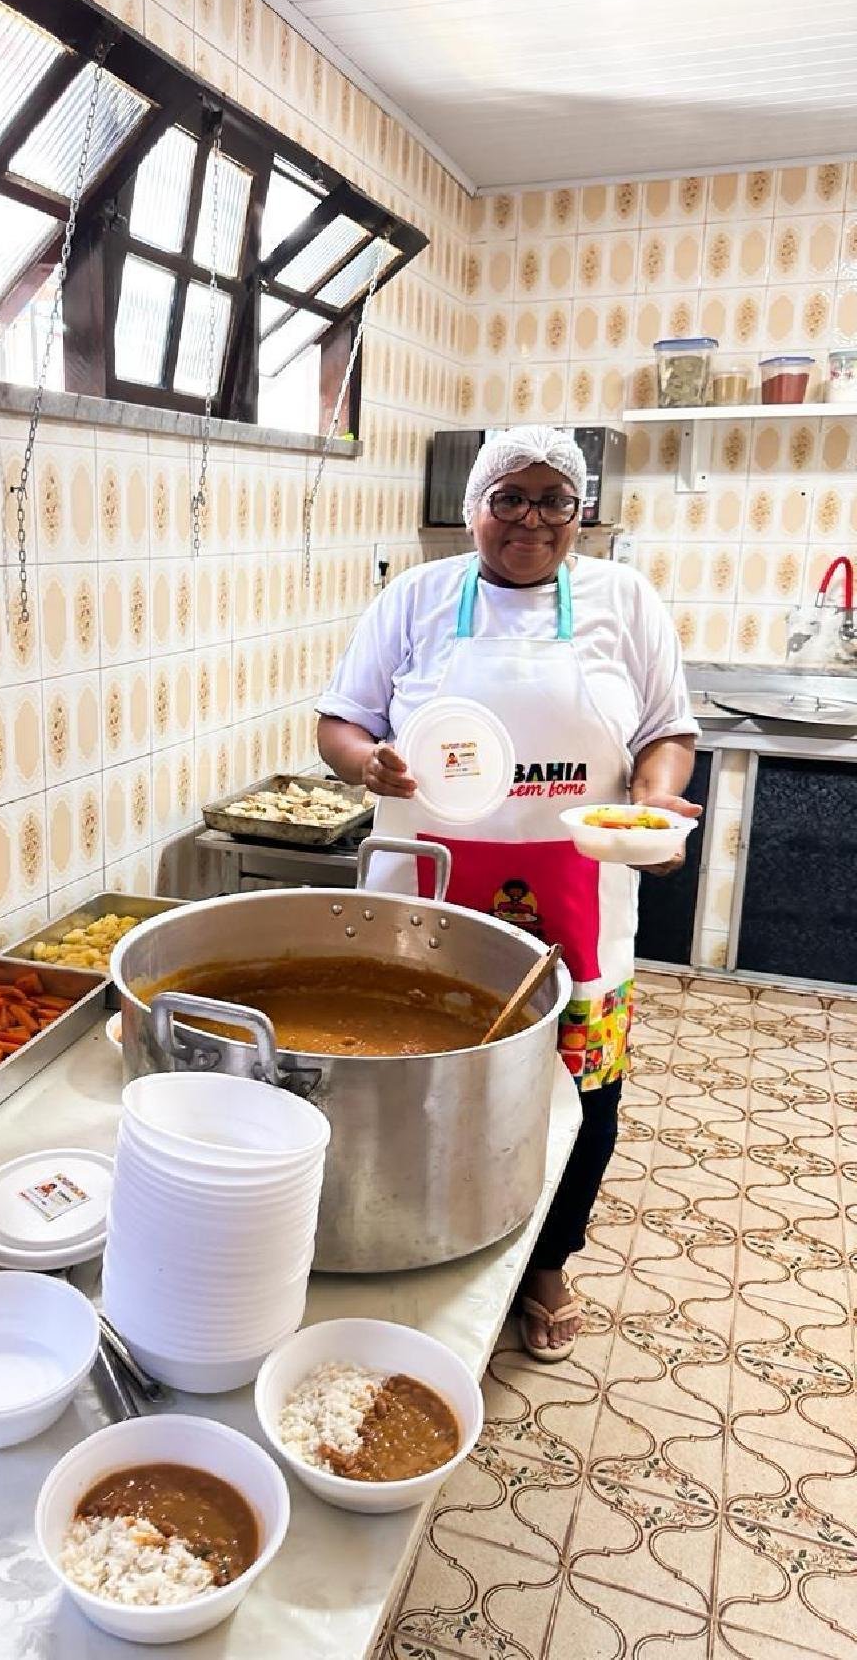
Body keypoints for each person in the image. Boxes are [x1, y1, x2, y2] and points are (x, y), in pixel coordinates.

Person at [317, 425, 700, 1361]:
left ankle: (549, 1262)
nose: (530, 521)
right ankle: (410, 1240)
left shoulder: (626, 601)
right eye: (509, 499)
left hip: (577, 896)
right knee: (407, 1076)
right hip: (426, 899)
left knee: (584, 1095)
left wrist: (651, 804)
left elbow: (667, 731)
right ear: (472, 508)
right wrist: (370, 765)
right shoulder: (414, 598)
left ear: (581, 514)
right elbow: (340, 723)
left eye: (553, 502)